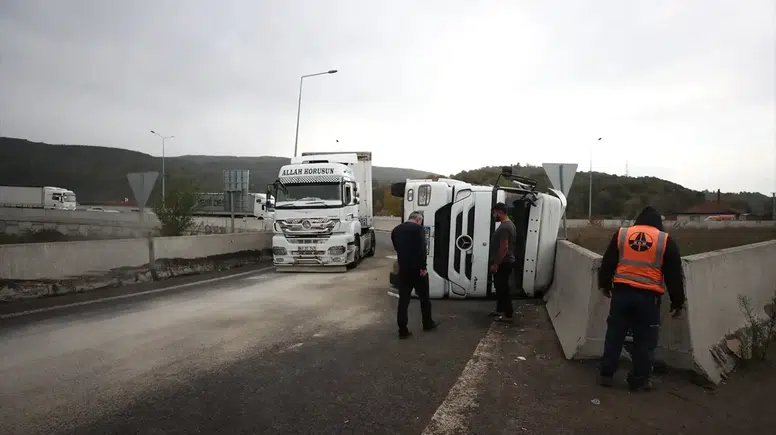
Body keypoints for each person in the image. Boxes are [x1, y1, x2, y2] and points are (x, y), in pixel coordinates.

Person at [597, 206, 685, 391]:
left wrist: (605, 284)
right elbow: (674, 275)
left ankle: (607, 375)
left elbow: (608, 262)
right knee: (644, 341)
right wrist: (677, 302)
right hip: (648, 298)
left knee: (615, 335)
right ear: (658, 223)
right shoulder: (664, 240)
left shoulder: (622, 234)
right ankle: (639, 380)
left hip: (621, 294)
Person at [391, 211, 438, 339]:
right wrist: (423, 267)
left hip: (404, 270)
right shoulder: (419, 229)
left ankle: (402, 330)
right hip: (418, 270)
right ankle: (427, 323)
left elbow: (396, 247)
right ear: (418, 219)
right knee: (424, 298)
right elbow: (422, 249)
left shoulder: (396, 230)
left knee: (403, 301)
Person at [489, 202, 518, 323]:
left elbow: (504, 247)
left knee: (503, 288)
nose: (493, 215)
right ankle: (500, 310)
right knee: (500, 287)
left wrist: (496, 264)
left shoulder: (505, 227)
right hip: (505, 261)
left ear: (500, 212)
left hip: (504, 262)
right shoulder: (508, 225)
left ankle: (508, 314)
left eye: (494, 213)